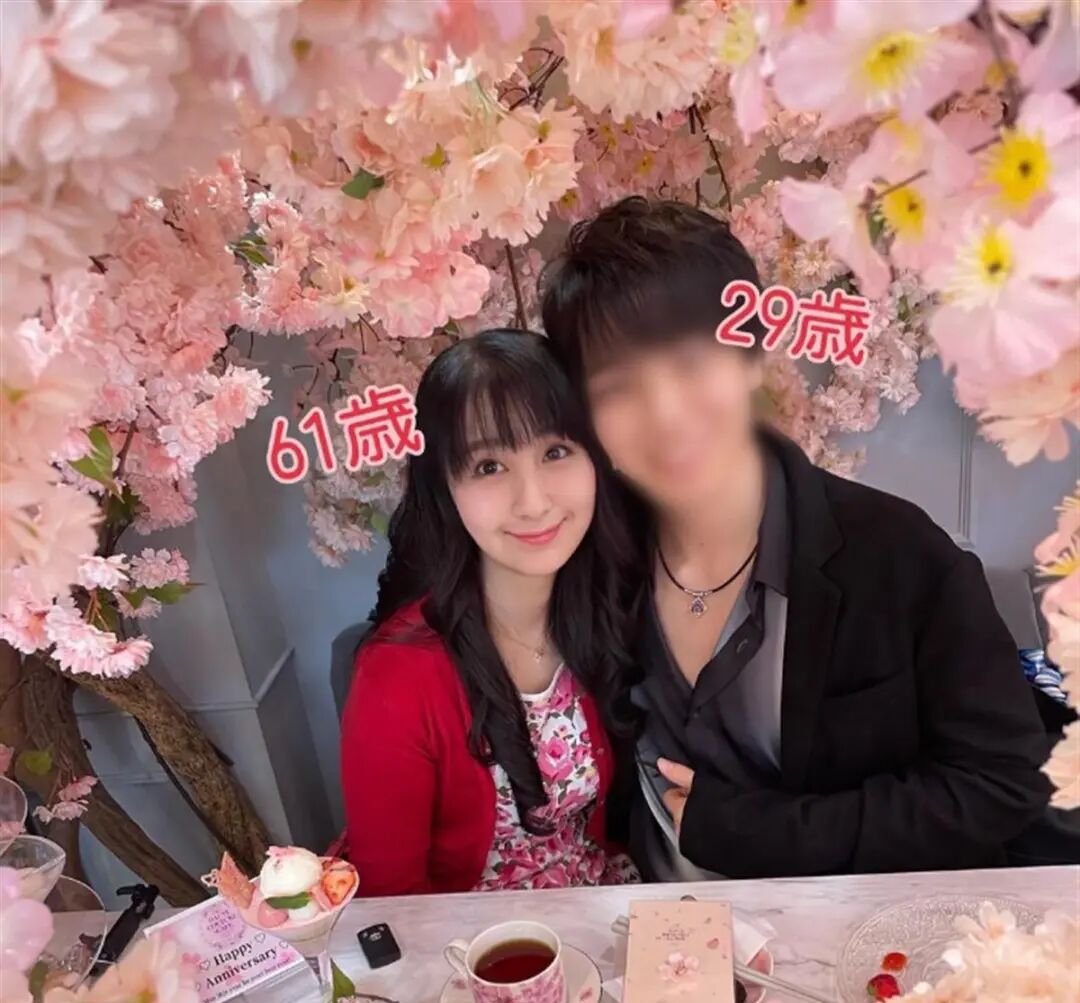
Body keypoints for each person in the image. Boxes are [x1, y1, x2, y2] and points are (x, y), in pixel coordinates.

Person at [540, 195, 1053, 880]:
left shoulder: (897, 554)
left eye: (690, 363)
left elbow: (1003, 782)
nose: (665, 414)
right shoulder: (588, 559)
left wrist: (771, 834)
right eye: (618, 386)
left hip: (852, 931)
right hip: (647, 930)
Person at [340, 329, 640, 895]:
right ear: (445, 487)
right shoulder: (396, 677)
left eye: (555, 452)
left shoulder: (609, 607)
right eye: (488, 466)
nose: (534, 502)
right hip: (473, 943)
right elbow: (392, 900)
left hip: (607, 910)